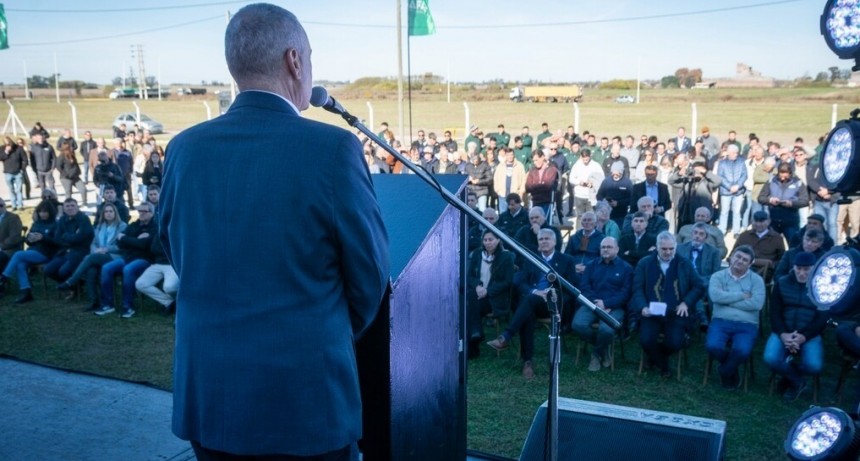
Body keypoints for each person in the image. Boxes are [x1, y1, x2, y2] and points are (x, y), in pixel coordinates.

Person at [159, 5, 390, 460]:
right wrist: (322, 332)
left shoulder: (183, 149)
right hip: (304, 402)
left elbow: (176, 250)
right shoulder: (333, 148)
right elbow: (369, 278)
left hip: (211, 398)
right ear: (294, 61)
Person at [487, 229, 576, 379]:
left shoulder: (566, 260)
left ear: (555, 242)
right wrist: (534, 291)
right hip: (534, 302)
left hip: (554, 304)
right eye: (541, 239)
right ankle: (527, 361)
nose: (544, 241)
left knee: (528, 301)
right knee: (528, 310)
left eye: (547, 239)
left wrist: (552, 297)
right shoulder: (532, 259)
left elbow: (571, 289)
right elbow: (520, 282)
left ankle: (506, 336)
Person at [632, 231, 705, 377]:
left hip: (675, 312)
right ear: (657, 247)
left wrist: (686, 303)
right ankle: (663, 364)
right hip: (651, 312)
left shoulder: (684, 263)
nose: (668, 252)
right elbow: (637, 288)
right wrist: (643, 306)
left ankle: (655, 358)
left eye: (671, 249)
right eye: (664, 249)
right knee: (646, 340)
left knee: (675, 343)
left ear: (675, 247)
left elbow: (699, 286)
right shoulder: (645, 263)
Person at [763, 251, 828, 401]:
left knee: (814, 365)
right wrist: (783, 334)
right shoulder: (782, 283)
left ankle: (788, 376)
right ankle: (797, 381)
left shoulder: (823, 287)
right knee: (770, 358)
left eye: (806, 269)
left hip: (809, 333)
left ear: (814, 268)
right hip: (784, 330)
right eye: (798, 268)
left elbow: (822, 318)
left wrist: (803, 337)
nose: (802, 273)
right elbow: (774, 312)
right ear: (793, 267)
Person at [705, 245, 765, 389]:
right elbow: (715, 297)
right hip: (721, 320)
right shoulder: (718, 276)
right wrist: (741, 296)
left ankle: (725, 370)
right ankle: (731, 367)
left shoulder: (756, 280)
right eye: (737, 257)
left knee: (743, 351)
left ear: (750, 264)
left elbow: (757, 304)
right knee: (712, 346)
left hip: (747, 324)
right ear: (731, 257)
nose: (740, 261)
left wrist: (727, 301)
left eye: (745, 260)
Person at [572, 236, 633, 371]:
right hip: (592, 305)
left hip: (614, 307)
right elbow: (584, 286)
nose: (605, 249)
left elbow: (626, 293)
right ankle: (603, 347)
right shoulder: (591, 265)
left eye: (609, 247)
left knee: (606, 329)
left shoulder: (626, 268)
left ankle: (596, 354)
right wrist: (596, 303)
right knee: (577, 324)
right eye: (603, 247)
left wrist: (607, 303)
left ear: (617, 249)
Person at [56, 203, 127, 309]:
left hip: (115, 256)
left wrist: (106, 249)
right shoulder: (99, 226)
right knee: (91, 270)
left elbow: (122, 246)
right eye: (106, 211)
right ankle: (94, 301)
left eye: (111, 211)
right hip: (98, 255)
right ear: (103, 214)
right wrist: (96, 250)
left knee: (89, 258)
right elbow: (93, 243)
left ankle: (71, 281)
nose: (108, 214)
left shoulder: (122, 226)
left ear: (115, 213)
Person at [466, 229, 515, 358]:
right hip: (478, 295)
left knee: (469, 305)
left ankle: (474, 345)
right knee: (471, 298)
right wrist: (477, 286)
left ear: (498, 240)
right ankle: (475, 333)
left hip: (495, 298)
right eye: (485, 240)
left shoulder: (506, 257)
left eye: (491, 239)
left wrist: (487, 291)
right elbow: (470, 276)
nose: (488, 243)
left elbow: (507, 281)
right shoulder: (477, 254)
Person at [0, 200, 58, 303]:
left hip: (46, 253)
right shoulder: (36, 224)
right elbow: (27, 239)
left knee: (18, 255)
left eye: (45, 212)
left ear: (50, 212)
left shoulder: (55, 224)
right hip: (33, 251)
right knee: (20, 264)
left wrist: (42, 238)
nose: (42, 214)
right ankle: (26, 291)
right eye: (40, 212)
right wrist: (29, 239)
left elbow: (58, 242)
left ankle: (4, 277)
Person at [42, 198, 95, 284]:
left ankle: (73, 285)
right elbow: (57, 238)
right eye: (67, 206)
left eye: (72, 206)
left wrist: (65, 236)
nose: (70, 208)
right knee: (48, 270)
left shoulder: (84, 219)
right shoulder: (62, 220)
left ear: (77, 207)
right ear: (64, 209)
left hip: (80, 252)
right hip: (64, 251)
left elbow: (81, 238)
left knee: (63, 271)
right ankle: (72, 286)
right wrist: (72, 237)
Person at [758, 162, 809, 244]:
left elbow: (805, 201)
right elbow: (761, 198)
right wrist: (770, 200)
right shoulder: (771, 181)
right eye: (781, 174)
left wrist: (792, 204)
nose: (782, 178)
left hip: (791, 222)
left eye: (785, 175)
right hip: (773, 220)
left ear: (790, 173)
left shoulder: (798, 183)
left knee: (793, 246)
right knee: (771, 246)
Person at [135, 225, 179, 314]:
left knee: (169, 287)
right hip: (157, 263)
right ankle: (169, 302)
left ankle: (181, 302)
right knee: (140, 284)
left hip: (172, 264)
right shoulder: (156, 230)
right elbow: (148, 246)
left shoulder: (177, 229)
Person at [732, 210, 786, 280]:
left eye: (761, 221)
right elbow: (732, 254)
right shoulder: (744, 236)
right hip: (741, 269)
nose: (758, 224)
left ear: (768, 221)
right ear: (752, 221)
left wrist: (771, 264)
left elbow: (782, 260)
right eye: (756, 221)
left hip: (765, 273)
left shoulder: (777, 238)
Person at [717, 145, 747, 237]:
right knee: (724, 212)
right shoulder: (722, 163)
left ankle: (736, 231)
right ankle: (722, 230)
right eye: (733, 153)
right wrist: (729, 186)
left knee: (737, 212)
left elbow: (744, 175)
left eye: (736, 153)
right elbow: (720, 176)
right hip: (726, 191)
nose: (735, 154)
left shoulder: (741, 162)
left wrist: (738, 186)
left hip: (738, 191)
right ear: (729, 153)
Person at [596, 163, 633, 228]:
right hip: (607, 214)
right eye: (613, 173)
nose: (615, 175)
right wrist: (605, 202)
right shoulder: (606, 181)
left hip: (621, 214)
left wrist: (618, 203)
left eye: (617, 174)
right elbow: (599, 195)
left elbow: (631, 198)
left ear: (621, 172)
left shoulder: (627, 182)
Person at [524, 149, 558, 218]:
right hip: (535, 201)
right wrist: (541, 184)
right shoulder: (532, 171)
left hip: (547, 201)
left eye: (537, 160)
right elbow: (527, 187)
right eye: (534, 161)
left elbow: (548, 186)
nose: (535, 162)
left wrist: (535, 185)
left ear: (542, 157)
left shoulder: (552, 170)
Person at [2, 136, 27, 211]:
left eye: (9, 143)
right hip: (8, 172)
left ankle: (20, 205)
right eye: (6, 143)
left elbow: (25, 160)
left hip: (18, 172)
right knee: (11, 189)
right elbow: (1, 158)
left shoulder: (19, 149)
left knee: (18, 190)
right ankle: (14, 205)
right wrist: (6, 152)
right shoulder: (2, 149)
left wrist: (22, 169)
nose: (8, 145)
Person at [0, 198, 23, 275]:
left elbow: (15, 237)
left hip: (9, 249)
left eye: (1, 205)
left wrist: (1, 246)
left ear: (5, 206)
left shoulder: (13, 218)